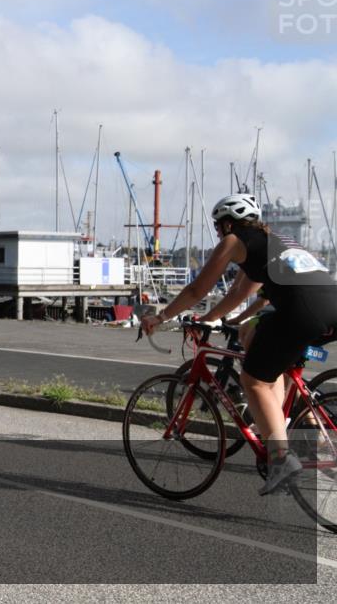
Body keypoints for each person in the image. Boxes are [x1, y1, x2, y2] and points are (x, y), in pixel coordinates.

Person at [141, 194, 337, 494]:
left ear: (228, 223)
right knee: (258, 342)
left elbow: (196, 289)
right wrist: (210, 319)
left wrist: (161, 316)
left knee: (252, 379)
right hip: (332, 307)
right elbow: (238, 294)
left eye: (218, 227)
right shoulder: (273, 241)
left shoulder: (233, 241)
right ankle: (292, 423)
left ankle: (281, 458)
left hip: (303, 311)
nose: (218, 233)